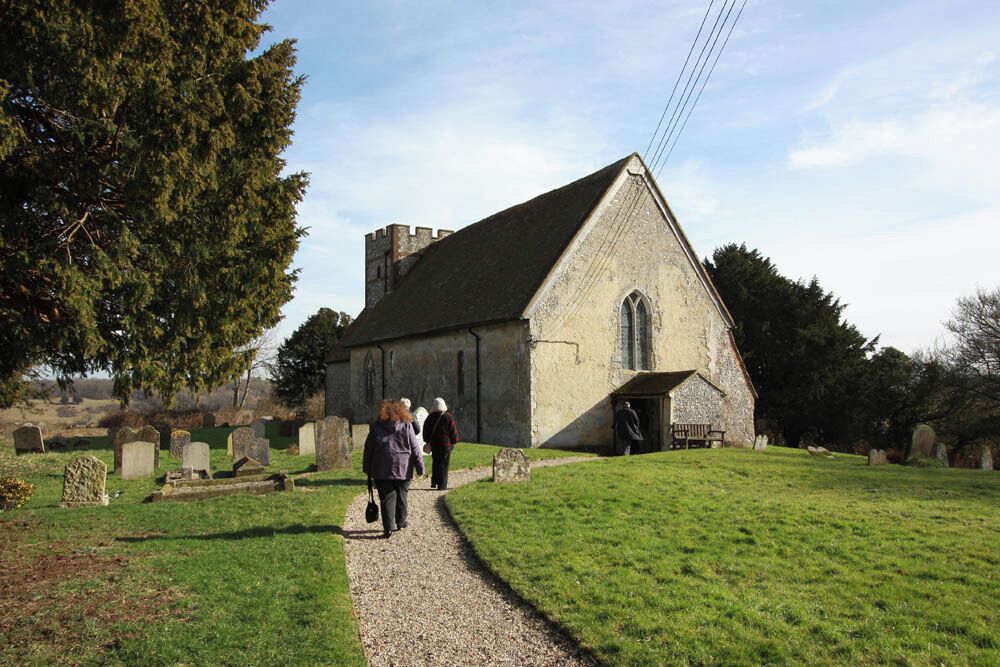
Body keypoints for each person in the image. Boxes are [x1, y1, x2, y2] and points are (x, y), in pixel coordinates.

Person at [363, 399, 425, 538]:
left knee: (386, 498)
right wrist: (420, 468)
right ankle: (401, 521)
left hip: (382, 468)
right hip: (403, 467)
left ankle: (388, 528)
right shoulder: (406, 425)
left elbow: (368, 449)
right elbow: (415, 447)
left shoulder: (376, 426)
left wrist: (367, 468)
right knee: (402, 495)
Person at [423, 397, 459, 490]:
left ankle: (434, 482)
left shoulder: (430, 417)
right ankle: (442, 485)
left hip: (434, 445)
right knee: (444, 465)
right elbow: (453, 431)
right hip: (445, 445)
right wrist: (454, 441)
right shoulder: (448, 417)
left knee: (436, 463)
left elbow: (425, 431)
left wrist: (427, 441)